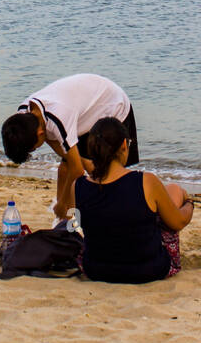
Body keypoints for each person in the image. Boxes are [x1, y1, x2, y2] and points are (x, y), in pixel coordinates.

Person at [1, 73, 138, 222]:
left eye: (33, 148)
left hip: (112, 105)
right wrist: (78, 162)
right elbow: (66, 155)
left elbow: (78, 170)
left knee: (111, 173)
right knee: (66, 169)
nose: (34, 150)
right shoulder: (24, 116)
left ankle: (127, 209)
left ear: (40, 133)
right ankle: (65, 222)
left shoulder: (59, 119)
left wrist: (61, 202)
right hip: (84, 113)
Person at [75, 117, 193, 283]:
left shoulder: (78, 186)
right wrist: (189, 204)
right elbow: (178, 223)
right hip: (148, 270)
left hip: (96, 270)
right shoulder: (146, 181)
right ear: (124, 145)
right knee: (175, 191)